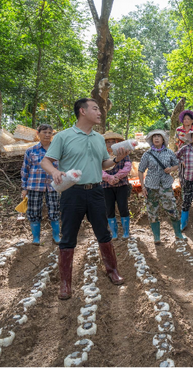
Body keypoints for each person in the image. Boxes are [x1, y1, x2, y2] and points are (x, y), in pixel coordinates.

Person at [41, 98, 128, 300]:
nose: (99, 112)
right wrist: (54, 171)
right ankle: (65, 283)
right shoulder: (63, 136)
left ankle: (112, 271)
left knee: (104, 233)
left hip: (97, 191)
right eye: (95, 108)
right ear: (82, 111)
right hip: (72, 192)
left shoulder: (99, 138)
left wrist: (116, 160)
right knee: (68, 236)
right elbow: (46, 161)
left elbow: (103, 164)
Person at [139, 130, 183, 243]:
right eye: (154, 137)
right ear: (151, 140)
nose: (156, 138)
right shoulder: (147, 154)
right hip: (151, 186)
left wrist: (171, 169)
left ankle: (178, 234)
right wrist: (143, 187)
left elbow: (177, 164)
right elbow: (140, 170)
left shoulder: (169, 152)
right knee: (152, 211)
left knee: (172, 209)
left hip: (166, 185)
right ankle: (156, 237)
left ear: (163, 139)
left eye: (159, 136)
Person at [21, 124, 60, 245]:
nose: (47, 135)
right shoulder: (31, 151)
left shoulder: (58, 150)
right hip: (34, 185)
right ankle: (36, 238)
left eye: (50, 133)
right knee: (33, 211)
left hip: (54, 185)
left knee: (55, 210)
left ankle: (56, 236)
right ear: (38, 134)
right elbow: (25, 169)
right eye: (44, 132)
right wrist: (24, 188)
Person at [102, 131, 132, 239]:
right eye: (107, 142)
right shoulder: (101, 154)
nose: (110, 144)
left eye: (112, 142)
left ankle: (126, 232)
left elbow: (128, 166)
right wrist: (109, 178)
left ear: (117, 142)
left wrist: (117, 177)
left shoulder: (123, 153)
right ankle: (114, 233)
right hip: (106, 186)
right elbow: (98, 168)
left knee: (123, 207)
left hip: (122, 184)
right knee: (109, 209)